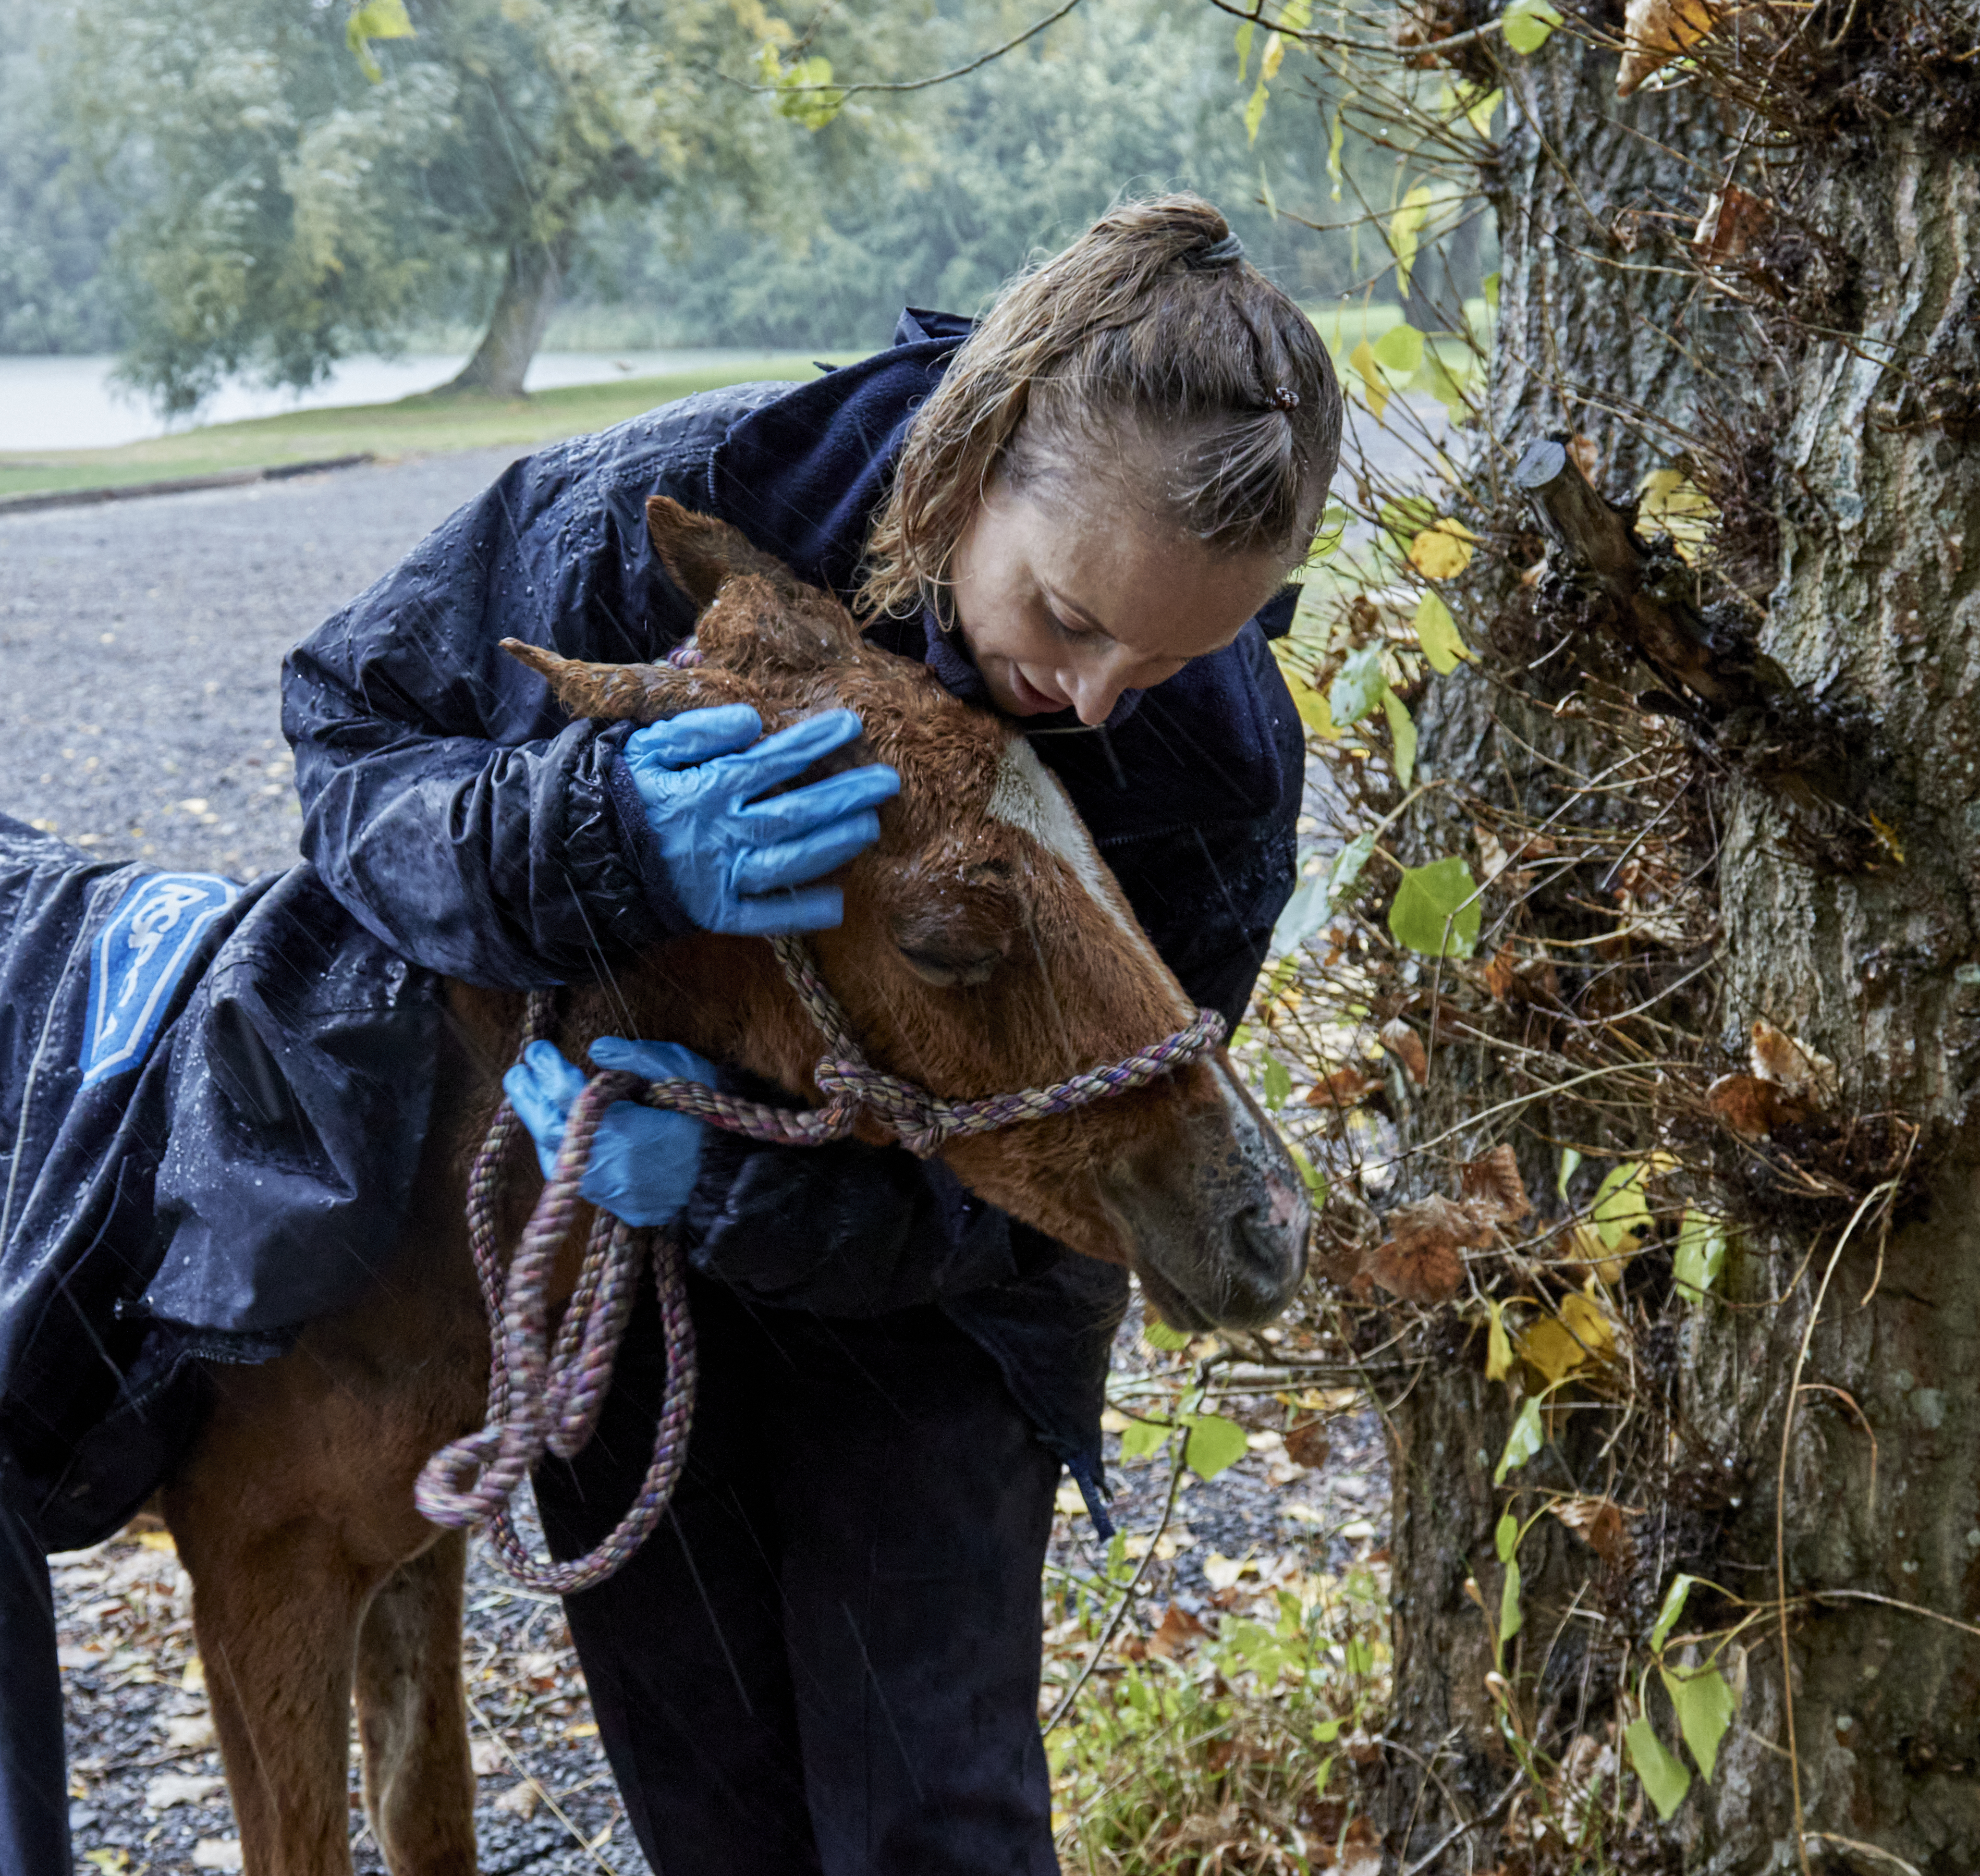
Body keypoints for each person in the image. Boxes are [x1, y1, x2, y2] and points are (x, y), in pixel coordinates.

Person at [282, 193, 1344, 1874]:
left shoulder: (1210, 765)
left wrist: (728, 1189)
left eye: (1171, 656)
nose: (1091, 701)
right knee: (710, 1814)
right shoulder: (666, 517)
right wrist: (599, 835)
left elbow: (1113, 1136)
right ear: (975, 452)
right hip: (625, 1284)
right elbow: (350, 735)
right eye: (1069, 619)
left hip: (945, 1305)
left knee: (933, 1819)